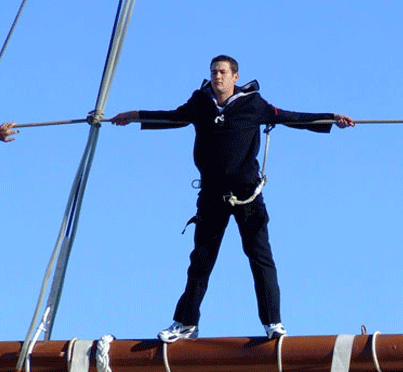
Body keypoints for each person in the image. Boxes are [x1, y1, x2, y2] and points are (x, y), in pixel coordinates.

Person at [111, 55, 355, 342]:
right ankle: (186, 322)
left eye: (223, 72)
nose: (218, 77)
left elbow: (291, 117)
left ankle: (273, 323)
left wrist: (331, 119)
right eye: (214, 72)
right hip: (213, 196)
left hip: (247, 197)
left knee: (260, 257)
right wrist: (133, 116)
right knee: (201, 261)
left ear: (235, 77)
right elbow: (172, 117)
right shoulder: (200, 103)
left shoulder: (253, 104)